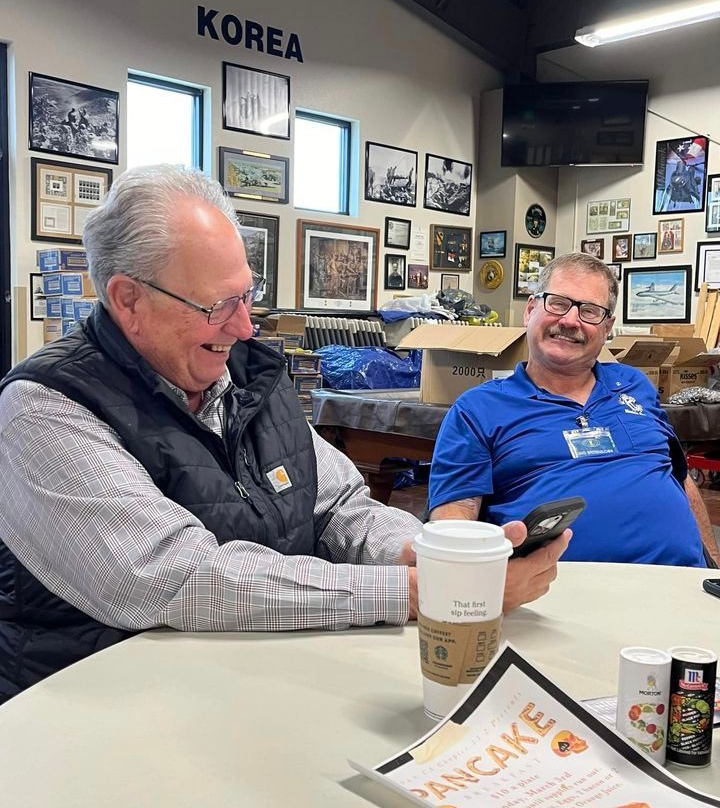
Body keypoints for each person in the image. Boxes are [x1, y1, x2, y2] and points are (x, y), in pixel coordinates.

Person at [0, 165, 564, 702]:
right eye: (219, 305)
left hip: (246, 682)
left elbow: (338, 508)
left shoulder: (249, 377)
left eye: (247, 295)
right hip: (97, 710)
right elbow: (174, 580)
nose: (245, 327)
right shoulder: (43, 410)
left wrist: (427, 555)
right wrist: (422, 595)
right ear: (128, 300)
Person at [429, 253, 720, 568]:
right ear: (530, 310)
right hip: (556, 598)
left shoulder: (633, 385)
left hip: (678, 587)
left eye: (590, 311)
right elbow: (453, 520)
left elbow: (679, 480)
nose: (569, 320)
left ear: (607, 327)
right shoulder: (478, 409)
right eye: (557, 303)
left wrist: (714, 569)